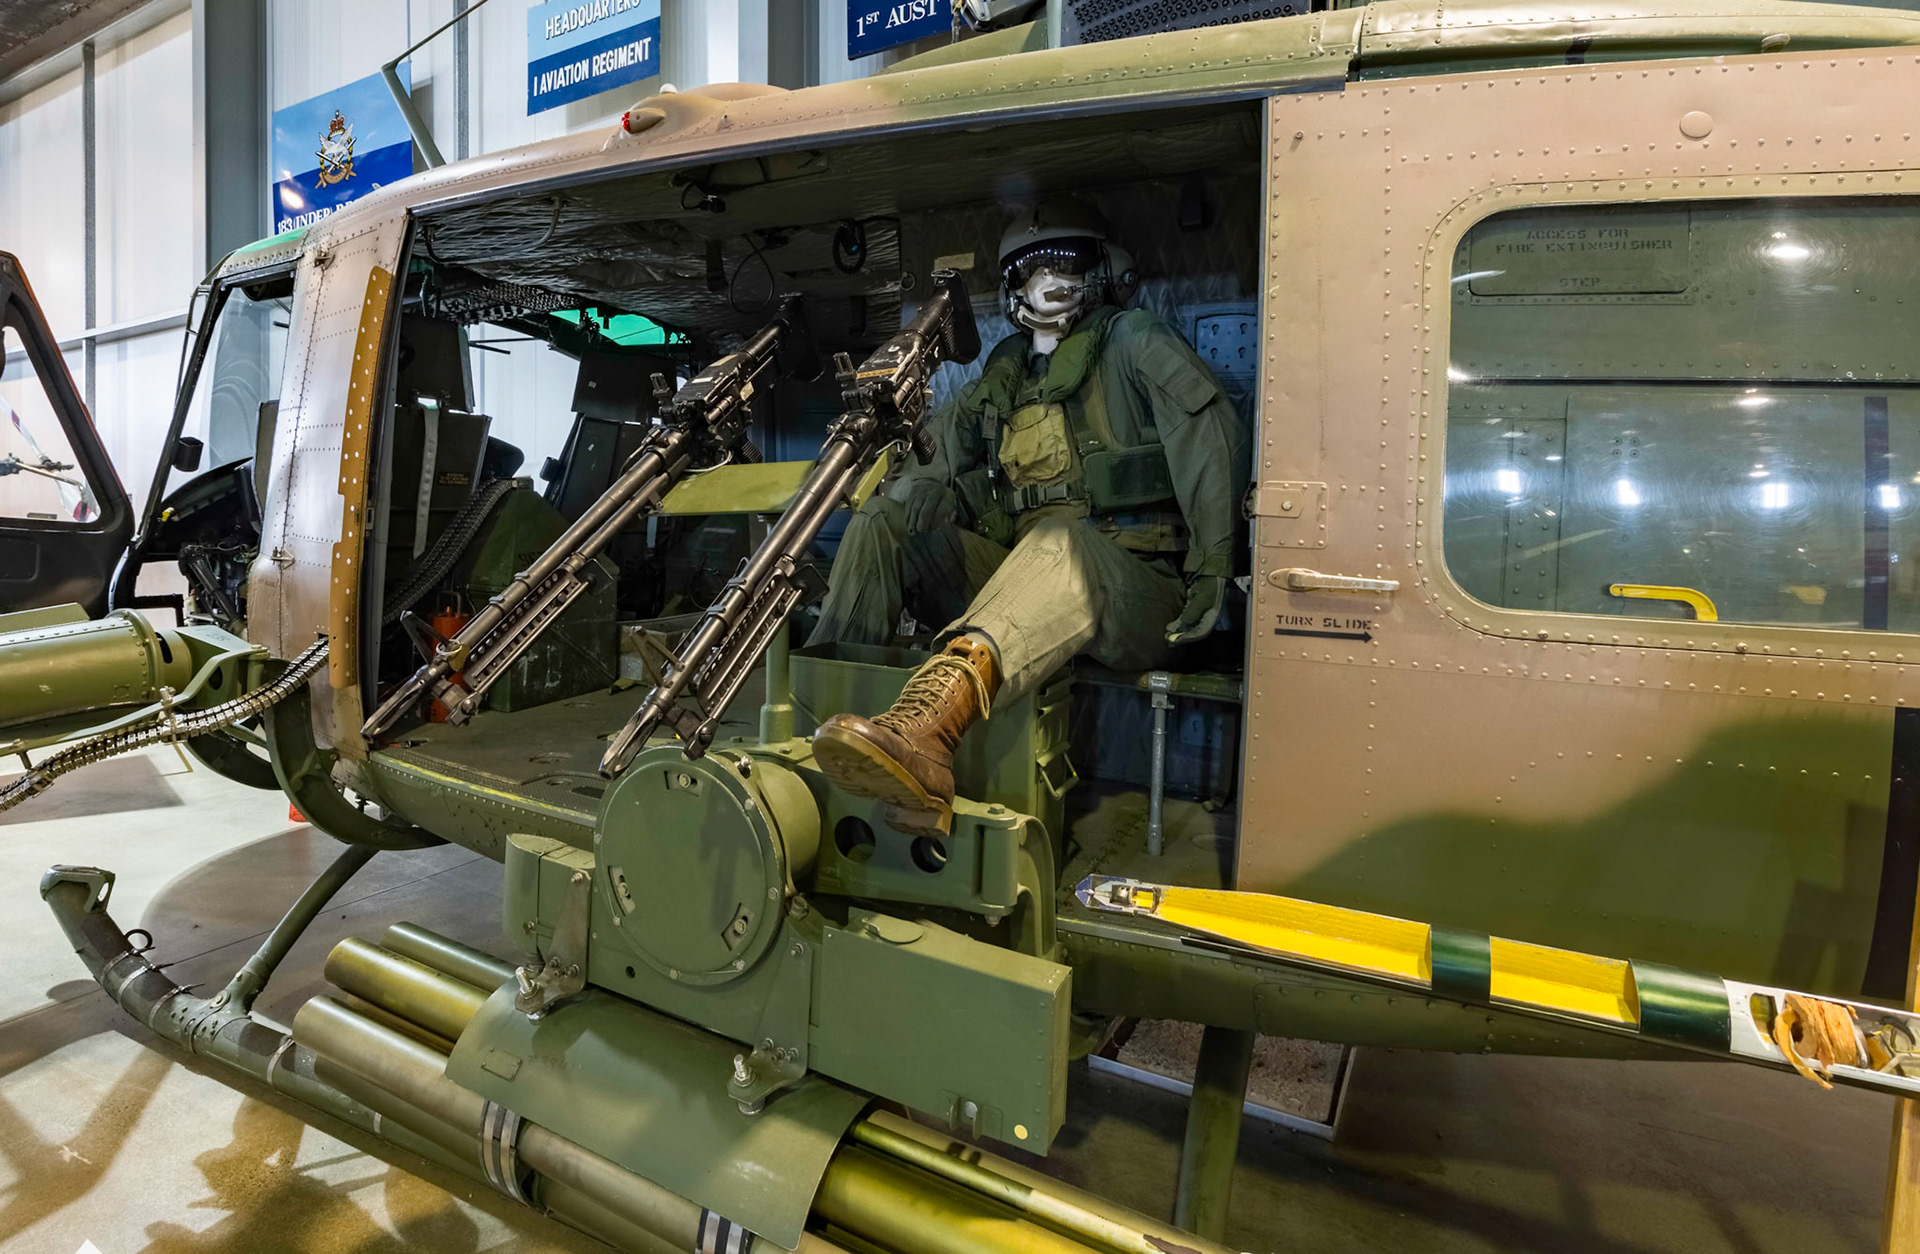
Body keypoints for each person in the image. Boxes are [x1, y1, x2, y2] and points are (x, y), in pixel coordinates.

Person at [808, 197, 1248, 832]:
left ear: (1102, 268)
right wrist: (894, 495)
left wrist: (1213, 568)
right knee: (883, 524)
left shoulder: (1135, 341)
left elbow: (1210, 436)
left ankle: (929, 732)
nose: (1047, 279)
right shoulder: (1005, 373)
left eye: (1064, 261)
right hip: (1024, 583)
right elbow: (935, 461)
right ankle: (829, 726)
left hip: (1143, 593)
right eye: (1028, 268)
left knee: (1059, 537)